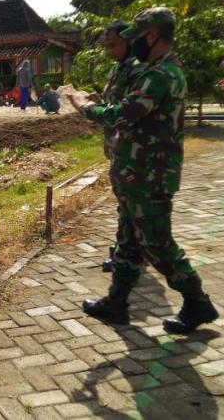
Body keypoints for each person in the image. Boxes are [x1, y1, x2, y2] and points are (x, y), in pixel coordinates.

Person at [69, 7, 218, 334]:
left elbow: (123, 114)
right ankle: (117, 302)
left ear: (151, 36)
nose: (132, 45)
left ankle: (197, 301)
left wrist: (83, 105)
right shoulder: (160, 69)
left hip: (149, 175)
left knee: (158, 244)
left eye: (136, 38)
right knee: (129, 240)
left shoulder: (160, 75)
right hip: (137, 173)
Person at [98, 20, 144, 273]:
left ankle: (128, 254)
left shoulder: (137, 71)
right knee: (123, 203)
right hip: (118, 146)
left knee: (128, 205)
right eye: (106, 46)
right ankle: (128, 250)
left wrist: (92, 108)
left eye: (113, 45)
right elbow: (111, 103)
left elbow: (125, 112)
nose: (109, 51)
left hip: (132, 149)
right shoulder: (119, 69)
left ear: (128, 41)